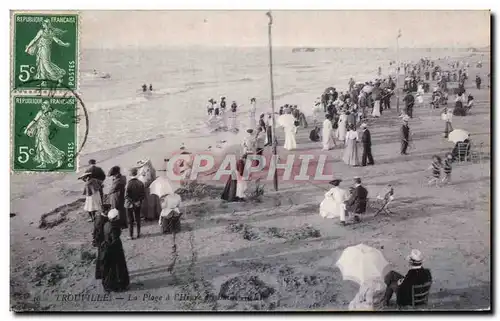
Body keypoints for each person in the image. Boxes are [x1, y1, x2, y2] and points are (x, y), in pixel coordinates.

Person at [23, 100, 69, 168]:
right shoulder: (40, 112)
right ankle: (43, 162)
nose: (42, 106)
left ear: (47, 106)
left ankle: (59, 158)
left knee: (45, 146)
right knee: (40, 146)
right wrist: (27, 128)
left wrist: (64, 126)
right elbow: (34, 121)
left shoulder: (50, 114)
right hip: (39, 130)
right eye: (42, 105)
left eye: (44, 105)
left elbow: (56, 122)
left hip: (44, 130)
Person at [101, 209, 130, 292]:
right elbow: (115, 240)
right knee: (118, 268)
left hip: (107, 248)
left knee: (111, 269)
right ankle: (120, 285)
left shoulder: (106, 224)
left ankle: (111, 285)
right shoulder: (114, 228)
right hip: (115, 250)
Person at [125, 168, 145, 240]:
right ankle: (138, 234)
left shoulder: (128, 183)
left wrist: (133, 202)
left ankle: (130, 235)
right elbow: (143, 195)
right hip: (138, 204)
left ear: (130, 174)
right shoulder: (140, 183)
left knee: (130, 220)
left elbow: (126, 196)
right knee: (138, 218)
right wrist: (138, 201)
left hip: (129, 204)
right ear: (136, 174)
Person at [92, 205, 111, 282]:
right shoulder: (102, 219)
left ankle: (99, 274)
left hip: (100, 241)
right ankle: (102, 274)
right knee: (103, 258)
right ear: (106, 211)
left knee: (100, 257)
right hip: (102, 241)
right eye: (109, 210)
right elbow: (100, 233)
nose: (109, 211)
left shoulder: (99, 217)